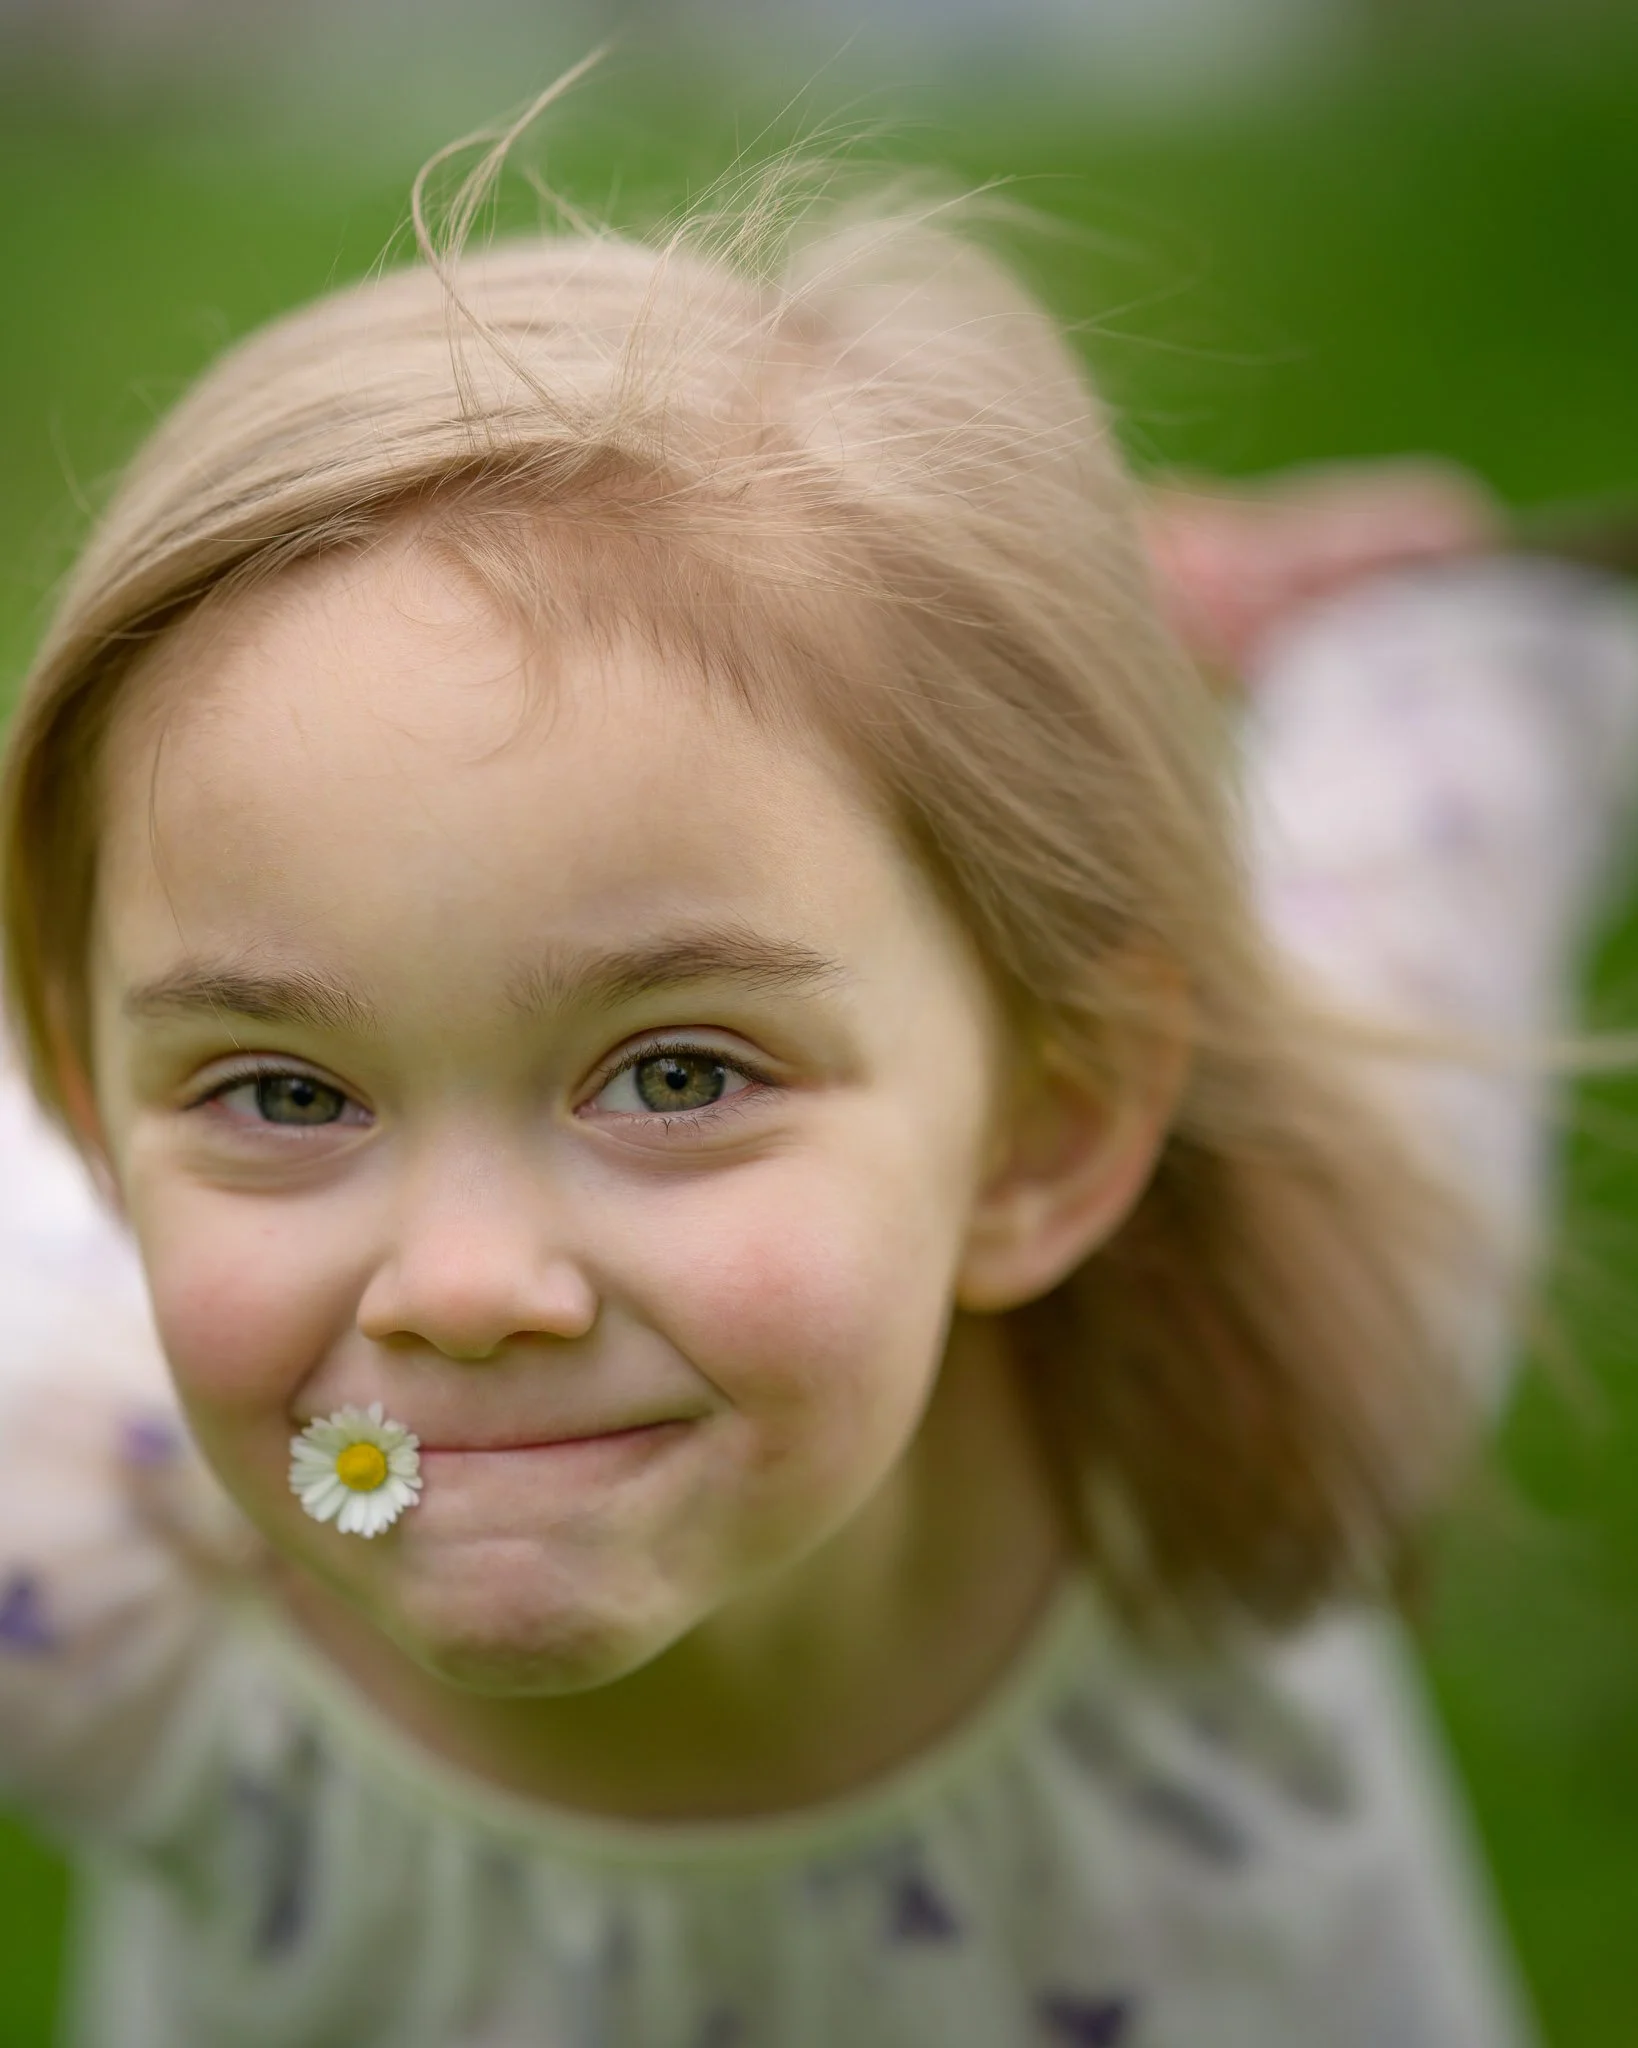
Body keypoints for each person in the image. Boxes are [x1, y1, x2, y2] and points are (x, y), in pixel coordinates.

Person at [0, 107, 1634, 2047]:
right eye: (281, 1094)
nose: (456, 1286)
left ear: (1053, 1126)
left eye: (677, 1070)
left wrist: (1399, 625)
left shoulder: (1308, 1317)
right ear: (97, 1131)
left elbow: (1441, 782)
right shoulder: (69, 1556)